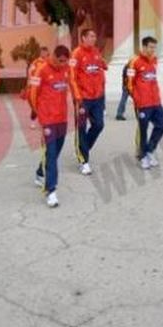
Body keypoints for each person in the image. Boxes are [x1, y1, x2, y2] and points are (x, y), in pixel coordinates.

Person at [30, 45, 74, 208]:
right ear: (53, 56)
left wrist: (78, 100)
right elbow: (33, 94)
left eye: (65, 61)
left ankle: (40, 172)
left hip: (61, 118)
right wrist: (39, 113)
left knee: (56, 152)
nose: (62, 63)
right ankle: (51, 190)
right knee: (51, 152)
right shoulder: (41, 70)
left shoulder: (66, 69)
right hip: (47, 119)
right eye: (60, 60)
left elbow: (71, 85)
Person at [70, 28, 108, 175]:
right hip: (83, 99)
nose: (94, 38)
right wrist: (78, 97)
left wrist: (103, 65)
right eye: (91, 36)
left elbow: (100, 69)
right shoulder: (76, 54)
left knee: (99, 125)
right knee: (81, 128)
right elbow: (72, 78)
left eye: (95, 36)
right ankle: (83, 161)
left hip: (97, 97)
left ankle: (83, 148)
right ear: (83, 38)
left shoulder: (96, 52)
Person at [126, 36, 163, 170]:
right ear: (144, 47)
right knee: (143, 131)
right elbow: (129, 84)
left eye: (154, 47)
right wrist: (137, 99)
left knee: (162, 124)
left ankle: (149, 150)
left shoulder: (154, 60)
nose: (153, 50)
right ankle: (143, 157)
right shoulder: (134, 62)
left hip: (156, 102)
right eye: (150, 47)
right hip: (143, 104)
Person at [21, 47, 49, 130]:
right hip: (36, 87)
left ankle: (45, 121)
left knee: (46, 105)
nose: (44, 54)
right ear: (40, 53)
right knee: (35, 105)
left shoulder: (49, 62)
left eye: (45, 52)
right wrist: (29, 86)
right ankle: (33, 121)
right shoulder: (35, 62)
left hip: (46, 87)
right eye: (42, 52)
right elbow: (30, 74)